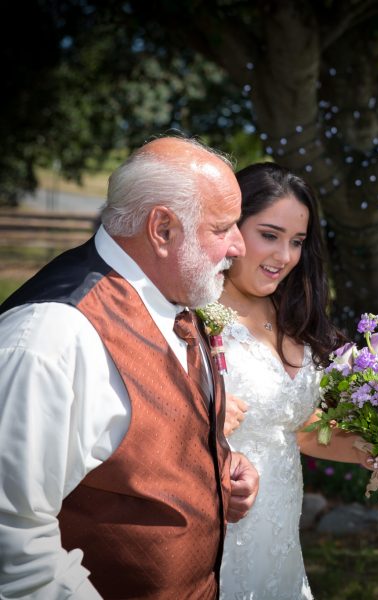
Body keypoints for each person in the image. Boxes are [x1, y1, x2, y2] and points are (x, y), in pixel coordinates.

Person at [0, 135, 260, 599]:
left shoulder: (176, 298)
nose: (239, 246)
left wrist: (218, 466)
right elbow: (13, 540)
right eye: (222, 228)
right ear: (162, 229)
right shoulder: (51, 337)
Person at [216, 163, 378, 599]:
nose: (284, 256)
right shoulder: (195, 316)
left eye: (296, 241)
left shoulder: (292, 317)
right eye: (269, 235)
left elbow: (298, 430)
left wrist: (371, 451)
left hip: (280, 535)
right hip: (221, 525)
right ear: (231, 228)